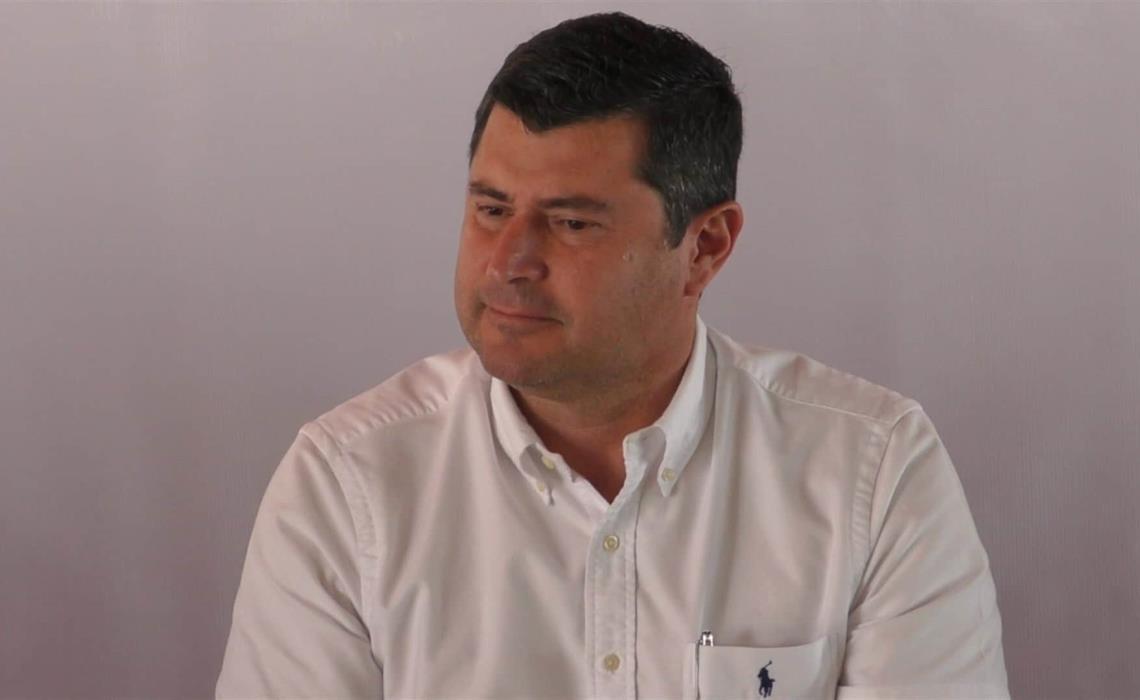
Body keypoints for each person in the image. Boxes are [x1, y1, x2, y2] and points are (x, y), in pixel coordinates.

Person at [216, 11, 1009, 699]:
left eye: (571, 224)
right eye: (490, 209)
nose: (508, 263)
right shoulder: (345, 485)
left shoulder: (873, 471)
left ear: (705, 245)